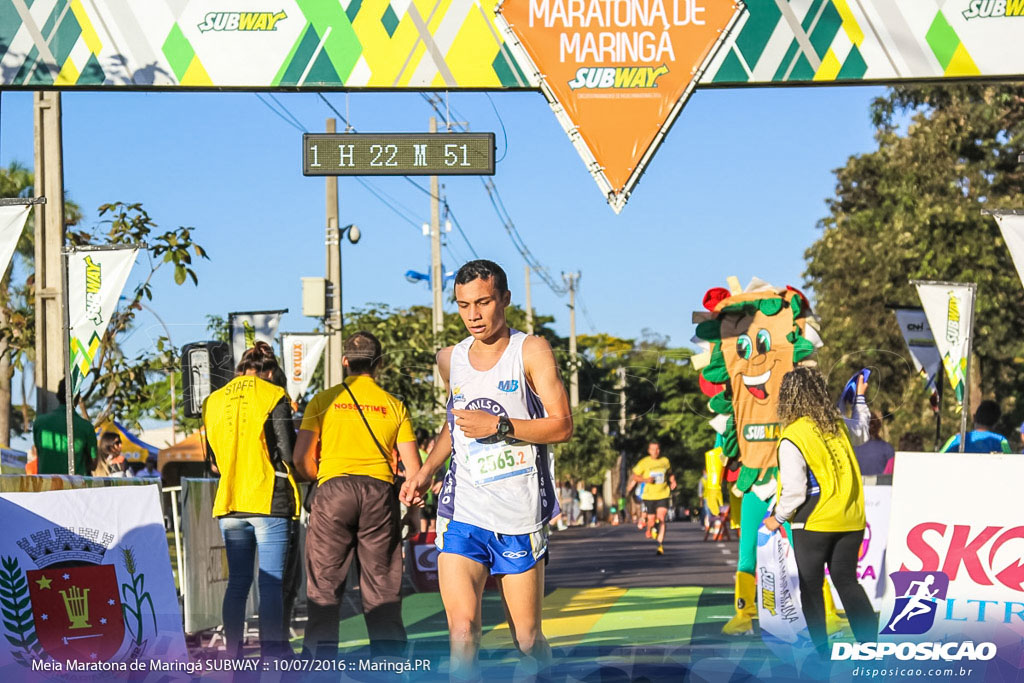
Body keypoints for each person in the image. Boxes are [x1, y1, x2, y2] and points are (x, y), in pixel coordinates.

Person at [400, 259, 572, 679]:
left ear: (505, 299)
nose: (473, 315)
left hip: (518, 515)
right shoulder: (450, 360)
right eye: (463, 305)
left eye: (483, 302)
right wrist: (423, 473)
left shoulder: (530, 350)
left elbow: (562, 425)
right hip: (463, 511)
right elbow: (453, 425)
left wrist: (500, 425)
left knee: (528, 639)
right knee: (462, 631)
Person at [294, 331, 421, 659]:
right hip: (379, 492)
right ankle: (388, 663)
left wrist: (321, 480)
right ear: (378, 365)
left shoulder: (323, 400)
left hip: (334, 490)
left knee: (324, 585)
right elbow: (414, 469)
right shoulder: (395, 406)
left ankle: (321, 667)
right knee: (382, 586)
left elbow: (300, 459)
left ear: (344, 362)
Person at [765, 366, 877, 657]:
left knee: (811, 587)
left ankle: (821, 655)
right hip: (851, 519)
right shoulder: (836, 424)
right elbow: (863, 432)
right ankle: (871, 650)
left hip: (814, 521)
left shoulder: (793, 436)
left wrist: (777, 518)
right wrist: (860, 399)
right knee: (847, 582)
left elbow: (794, 491)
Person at [203, 341, 299, 659]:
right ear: (269, 371)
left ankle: (234, 654)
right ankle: (273, 654)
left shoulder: (212, 401)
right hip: (267, 498)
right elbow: (288, 452)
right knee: (270, 583)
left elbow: (213, 461)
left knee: (238, 582)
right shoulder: (273, 395)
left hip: (229, 500)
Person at [33, 378, 97, 475]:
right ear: (77, 397)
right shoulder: (86, 427)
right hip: (76, 486)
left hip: (47, 486)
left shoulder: (39, 423)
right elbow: (93, 464)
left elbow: (39, 453)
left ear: (58, 396)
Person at [631, 441, 677, 556]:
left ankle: (660, 545)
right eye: (653, 449)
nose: (655, 452)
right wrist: (646, 480)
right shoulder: (644, 462)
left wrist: (673, 481)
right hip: (649, 496)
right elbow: (635, 476)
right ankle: (651, 527)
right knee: (651, 520)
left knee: (661, 518)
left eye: (657, 449)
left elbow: (670, 473)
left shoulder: (665, 461)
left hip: (663, 494)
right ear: (649, 451)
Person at [941, 400, 1012, 453]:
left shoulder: (958, 439)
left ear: (974, 417)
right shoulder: (1001, 441)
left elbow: (937, 459)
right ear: (996, 423)